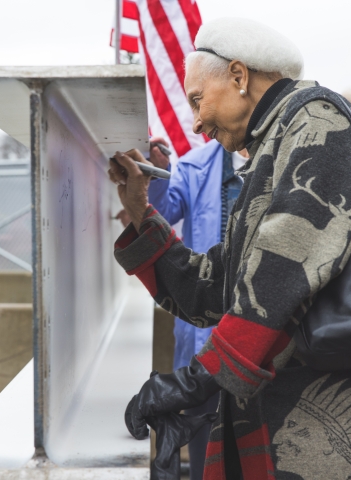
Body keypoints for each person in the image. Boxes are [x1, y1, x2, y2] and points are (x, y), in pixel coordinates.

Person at [109, 17, 351, 479]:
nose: (196, 122)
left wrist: (194, 382)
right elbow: (220, 289)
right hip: (286, 419)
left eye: (198, 100)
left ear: (239, 76)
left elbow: (280, 279)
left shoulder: (321, 124)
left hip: (333, 436)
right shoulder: (273, 146)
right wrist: (141, 211)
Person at [145, 137, 247, 480]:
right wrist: (158, 172)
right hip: (206, 331)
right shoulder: (194, 165)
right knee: (204, 426)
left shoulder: (281, 156)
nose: (197, 122)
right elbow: (163, 213)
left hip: (260, 327)